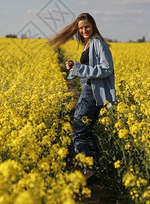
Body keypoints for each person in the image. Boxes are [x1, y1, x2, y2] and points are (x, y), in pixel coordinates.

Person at [48, 12, 115, 180]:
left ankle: (88, 169)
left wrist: (81, 69)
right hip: (87, 90)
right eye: (81, 28)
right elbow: (88, 70)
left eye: (87, 27)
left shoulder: (97, 43)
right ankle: (95, 167)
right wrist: (75, 66)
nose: (84, 30)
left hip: (92, 93)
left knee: (78, 130)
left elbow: (106, 69)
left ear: (93, 26)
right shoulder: (88, 44)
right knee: (85, 130)